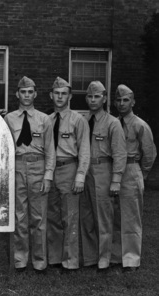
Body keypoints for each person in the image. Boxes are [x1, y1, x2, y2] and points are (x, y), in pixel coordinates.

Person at [4, 76, 55, 274]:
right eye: (23, 92)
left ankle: (40, 260)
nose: (26, 96)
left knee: (39, 217)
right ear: (17, 94)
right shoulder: (9, 118)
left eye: (30, 92)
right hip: (17, 166)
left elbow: (51, 149)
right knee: (19, 215)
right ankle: (20, 259)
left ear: (35, 94)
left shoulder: (45, 119)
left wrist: (48, 175)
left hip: (38, 167)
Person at [80, 81, 127, 272]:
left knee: (104, 217)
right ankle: (90, 257)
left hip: (103, 170)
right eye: (90, 96)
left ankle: (105, 259)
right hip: (84, 171)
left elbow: (120, 153)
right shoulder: (82, 120)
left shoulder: (112, 123)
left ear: (104, 98)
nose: (93, 100)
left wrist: (116, 179)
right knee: (87, 216)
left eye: (97, 96)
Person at [47, 77, 90, 272]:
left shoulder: (78, 120)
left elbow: (85, 150)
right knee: (53, 215)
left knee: (70, 216)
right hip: (51, 170)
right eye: (57, 93)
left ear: (70, 96)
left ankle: (70, 261)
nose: (60, 97)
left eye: (64, 94)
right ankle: (55, 258)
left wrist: (80, 175)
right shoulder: (47, 120)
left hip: (69, 168)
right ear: (51, 95)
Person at [112, 85, 156, 272]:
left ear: (133, 102)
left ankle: (130, 259)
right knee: (114, 214)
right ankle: (115, 256)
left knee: (131, 216)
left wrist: (141, 174)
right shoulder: (113, 123)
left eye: (126, 100)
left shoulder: (140, 125)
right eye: (119, 100)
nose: (122, 104)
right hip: (113, 169)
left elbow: (149, 154)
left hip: (131, 169)